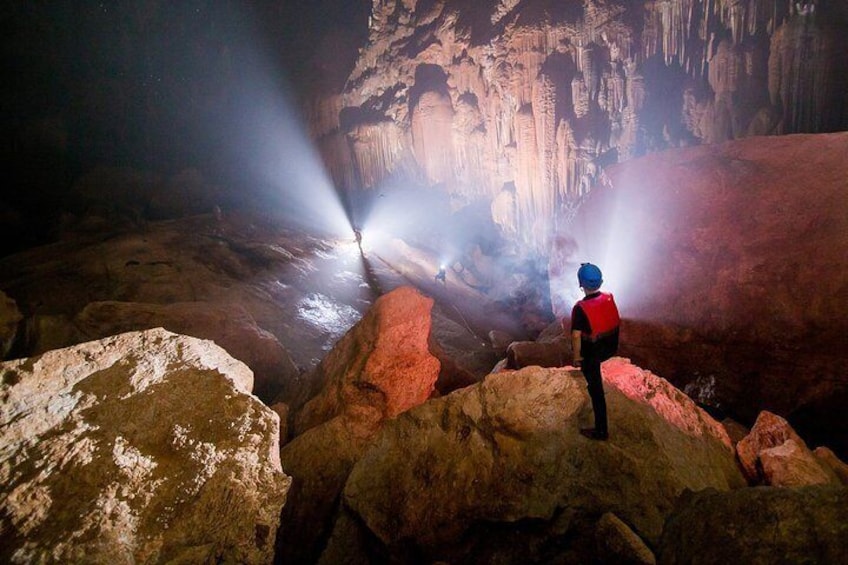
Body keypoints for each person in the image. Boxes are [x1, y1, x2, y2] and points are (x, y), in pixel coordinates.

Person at [568, 262, 621, 441]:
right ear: (601, 281)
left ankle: (601, 431)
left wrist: (577, 357)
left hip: (593, 355)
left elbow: (576, 336)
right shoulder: (609, 297)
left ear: (581, 284)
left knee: (596, 390)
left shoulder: (580, 308)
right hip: (609, 348)